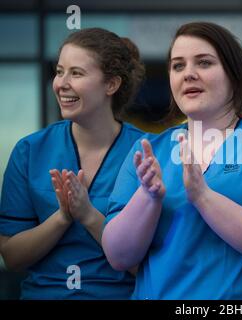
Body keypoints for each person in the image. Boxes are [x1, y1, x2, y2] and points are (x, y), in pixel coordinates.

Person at [102, 22, 242, 299]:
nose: (188, 74)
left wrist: (203, 196)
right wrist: (148, 197)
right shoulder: (148, 151)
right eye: (178, 66)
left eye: (203, 63)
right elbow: (119, 257)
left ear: (234, 76)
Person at [0, 28, 146, 299]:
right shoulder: (29, 151)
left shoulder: (148, 153)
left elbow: (150, 265)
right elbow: (12, 256)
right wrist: (62, 218)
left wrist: (89, 216)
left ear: (111, 85)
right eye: (59, 71)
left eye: (76, 73)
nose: (61, 83)